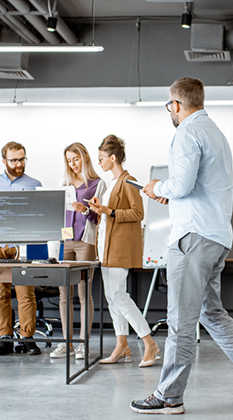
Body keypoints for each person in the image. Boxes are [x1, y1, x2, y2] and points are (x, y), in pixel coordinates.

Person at [133, 77, 233, 415]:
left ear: (177, 105)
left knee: (181, 320)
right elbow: (198, 187)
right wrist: (173, 194)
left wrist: (157, 187)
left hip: (192, 238)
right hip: (214, 236)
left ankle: (170, 395)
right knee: (210, 312)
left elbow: (180, 183)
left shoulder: (185, 132)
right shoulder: (215, 133)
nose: (170, 110)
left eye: (170, 105)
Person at [85, 135, 160, 368]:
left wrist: (109, 210)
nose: (100, 163)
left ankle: (149, 342)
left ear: (113, 158)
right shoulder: (110, 185)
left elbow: (138, 213)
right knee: (111, 297)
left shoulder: (129, 181)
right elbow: (109, 215)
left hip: (119, 249)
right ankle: (122, 345)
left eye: (102, 158)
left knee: (119, 296)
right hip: (106, 248)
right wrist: (99, 208)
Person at [0, 141, 42, 356]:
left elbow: (40, 215)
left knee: (26, 293)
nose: (19, 163)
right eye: (14, 160)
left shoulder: (35, 184)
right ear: (4, 161)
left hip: (22, 246)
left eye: (22, 159)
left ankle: (27, 338)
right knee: (0, 293)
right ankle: (5, 337)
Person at [50, 143, 106, 360]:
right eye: (69, 160)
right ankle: (67, 342)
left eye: (75, 159)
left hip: (85, 242)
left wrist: (85, 211)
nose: (72, 164)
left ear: (84, 158)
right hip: (65, 242)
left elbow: (98, 218)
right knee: (64, 295)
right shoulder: (63, 184)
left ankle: (83, 343)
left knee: (84, 294)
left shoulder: (97, 184)